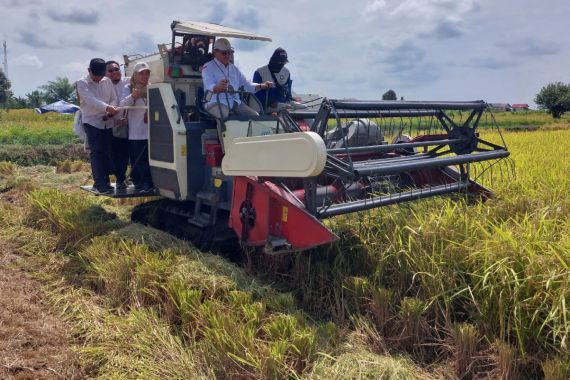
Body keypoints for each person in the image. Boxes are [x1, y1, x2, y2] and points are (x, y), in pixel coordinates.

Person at [201, 38, 273, 119]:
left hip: (235, 103)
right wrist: (217, 87)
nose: (228, 55)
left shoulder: (234, 68)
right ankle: (222, 131)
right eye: (224, 53)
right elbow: (208, 85)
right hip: (215, 102)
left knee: (255, 116)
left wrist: (261, 85)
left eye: (229, 52)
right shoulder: (208, 67)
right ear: (215, 52)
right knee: (224, 115)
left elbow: (247, 84)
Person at [76, 58, 119, 194]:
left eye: (101, 76)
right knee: (97, 152)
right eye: (96, 76)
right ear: (89, 71)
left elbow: (114, 98)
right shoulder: (82, 83)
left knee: (107, 151)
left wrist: (111, 110)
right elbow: (90, 101)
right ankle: (100, 184)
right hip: (92, 121)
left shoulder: (107, 81)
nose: (99, 79)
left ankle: (105, 182)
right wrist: (107, 108)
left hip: (107, 121)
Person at [119, 61, 154, 192]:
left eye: (147, 73)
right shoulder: (128, 88)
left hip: (150, 130)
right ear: (135, 75)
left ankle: (148, 184)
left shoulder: (151, 87)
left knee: (148, 160)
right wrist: (132, 96)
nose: (145, 76)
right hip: (136, 131)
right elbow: (122, 105)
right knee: (137, 160)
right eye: (142, 73)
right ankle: (140, 184)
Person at [253, 48, 306, 113]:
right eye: (280, 62)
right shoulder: (260, 72)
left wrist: (292, 100)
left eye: (284, 62)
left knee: (304, 108)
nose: (282, 64)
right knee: (287, 109)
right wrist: (270, 102)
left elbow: (288, 93)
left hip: (283, 103)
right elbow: (255, 92)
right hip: (265, 106)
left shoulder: (286, 72)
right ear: (274, 60)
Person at [105, 60, 130, 190]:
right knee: (113, 155)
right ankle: (115, 180)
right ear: (105, 73)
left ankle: (123, 179)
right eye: (111, 70)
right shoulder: (103, 87)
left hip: (129, 125)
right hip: (110, 125)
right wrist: (115, 121)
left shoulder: (127, 81)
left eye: (116, 69)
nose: (115, 72)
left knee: (125, 154)